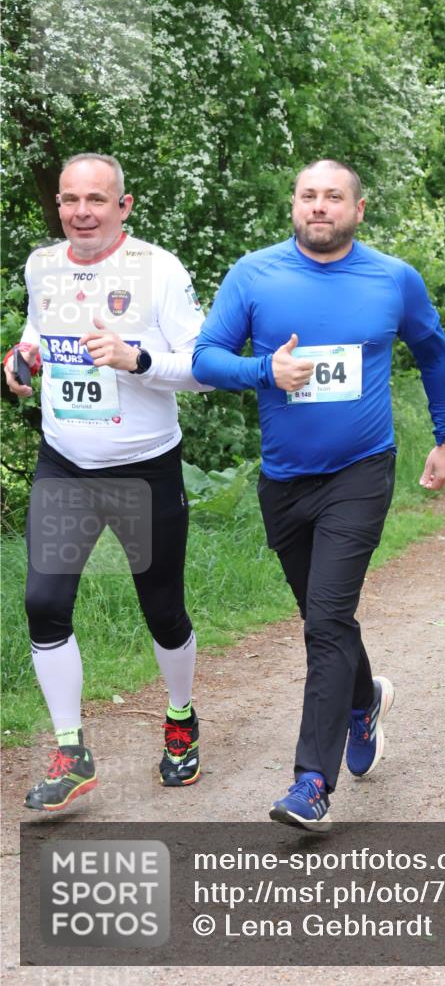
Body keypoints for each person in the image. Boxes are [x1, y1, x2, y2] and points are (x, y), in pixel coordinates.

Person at [193, 159, 445, 831]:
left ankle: (311, 782)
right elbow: (205, 357)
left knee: (325, 620)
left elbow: (434, 352)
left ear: (357, 209)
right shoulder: (253, 275)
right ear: (293, 205)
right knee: (325, 618)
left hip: (360, 472)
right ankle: (363, 700)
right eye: (308, 195)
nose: (320, 206)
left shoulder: (392, 279)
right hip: (284, 479)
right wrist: (265, 369)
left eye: (333, 197)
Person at [3, 153, 210, 811]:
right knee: (43, 603)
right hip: (66, 465)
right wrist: (22, 357)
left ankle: (180, 715)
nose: (81, 212)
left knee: (163, 611)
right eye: (70, 199)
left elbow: (203, 367)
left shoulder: (159, 270)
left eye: (96, 200)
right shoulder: (42, 265)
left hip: (144, 469)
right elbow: (38, 332)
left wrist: (135, 359)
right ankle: (71, 751)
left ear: (124, 206)